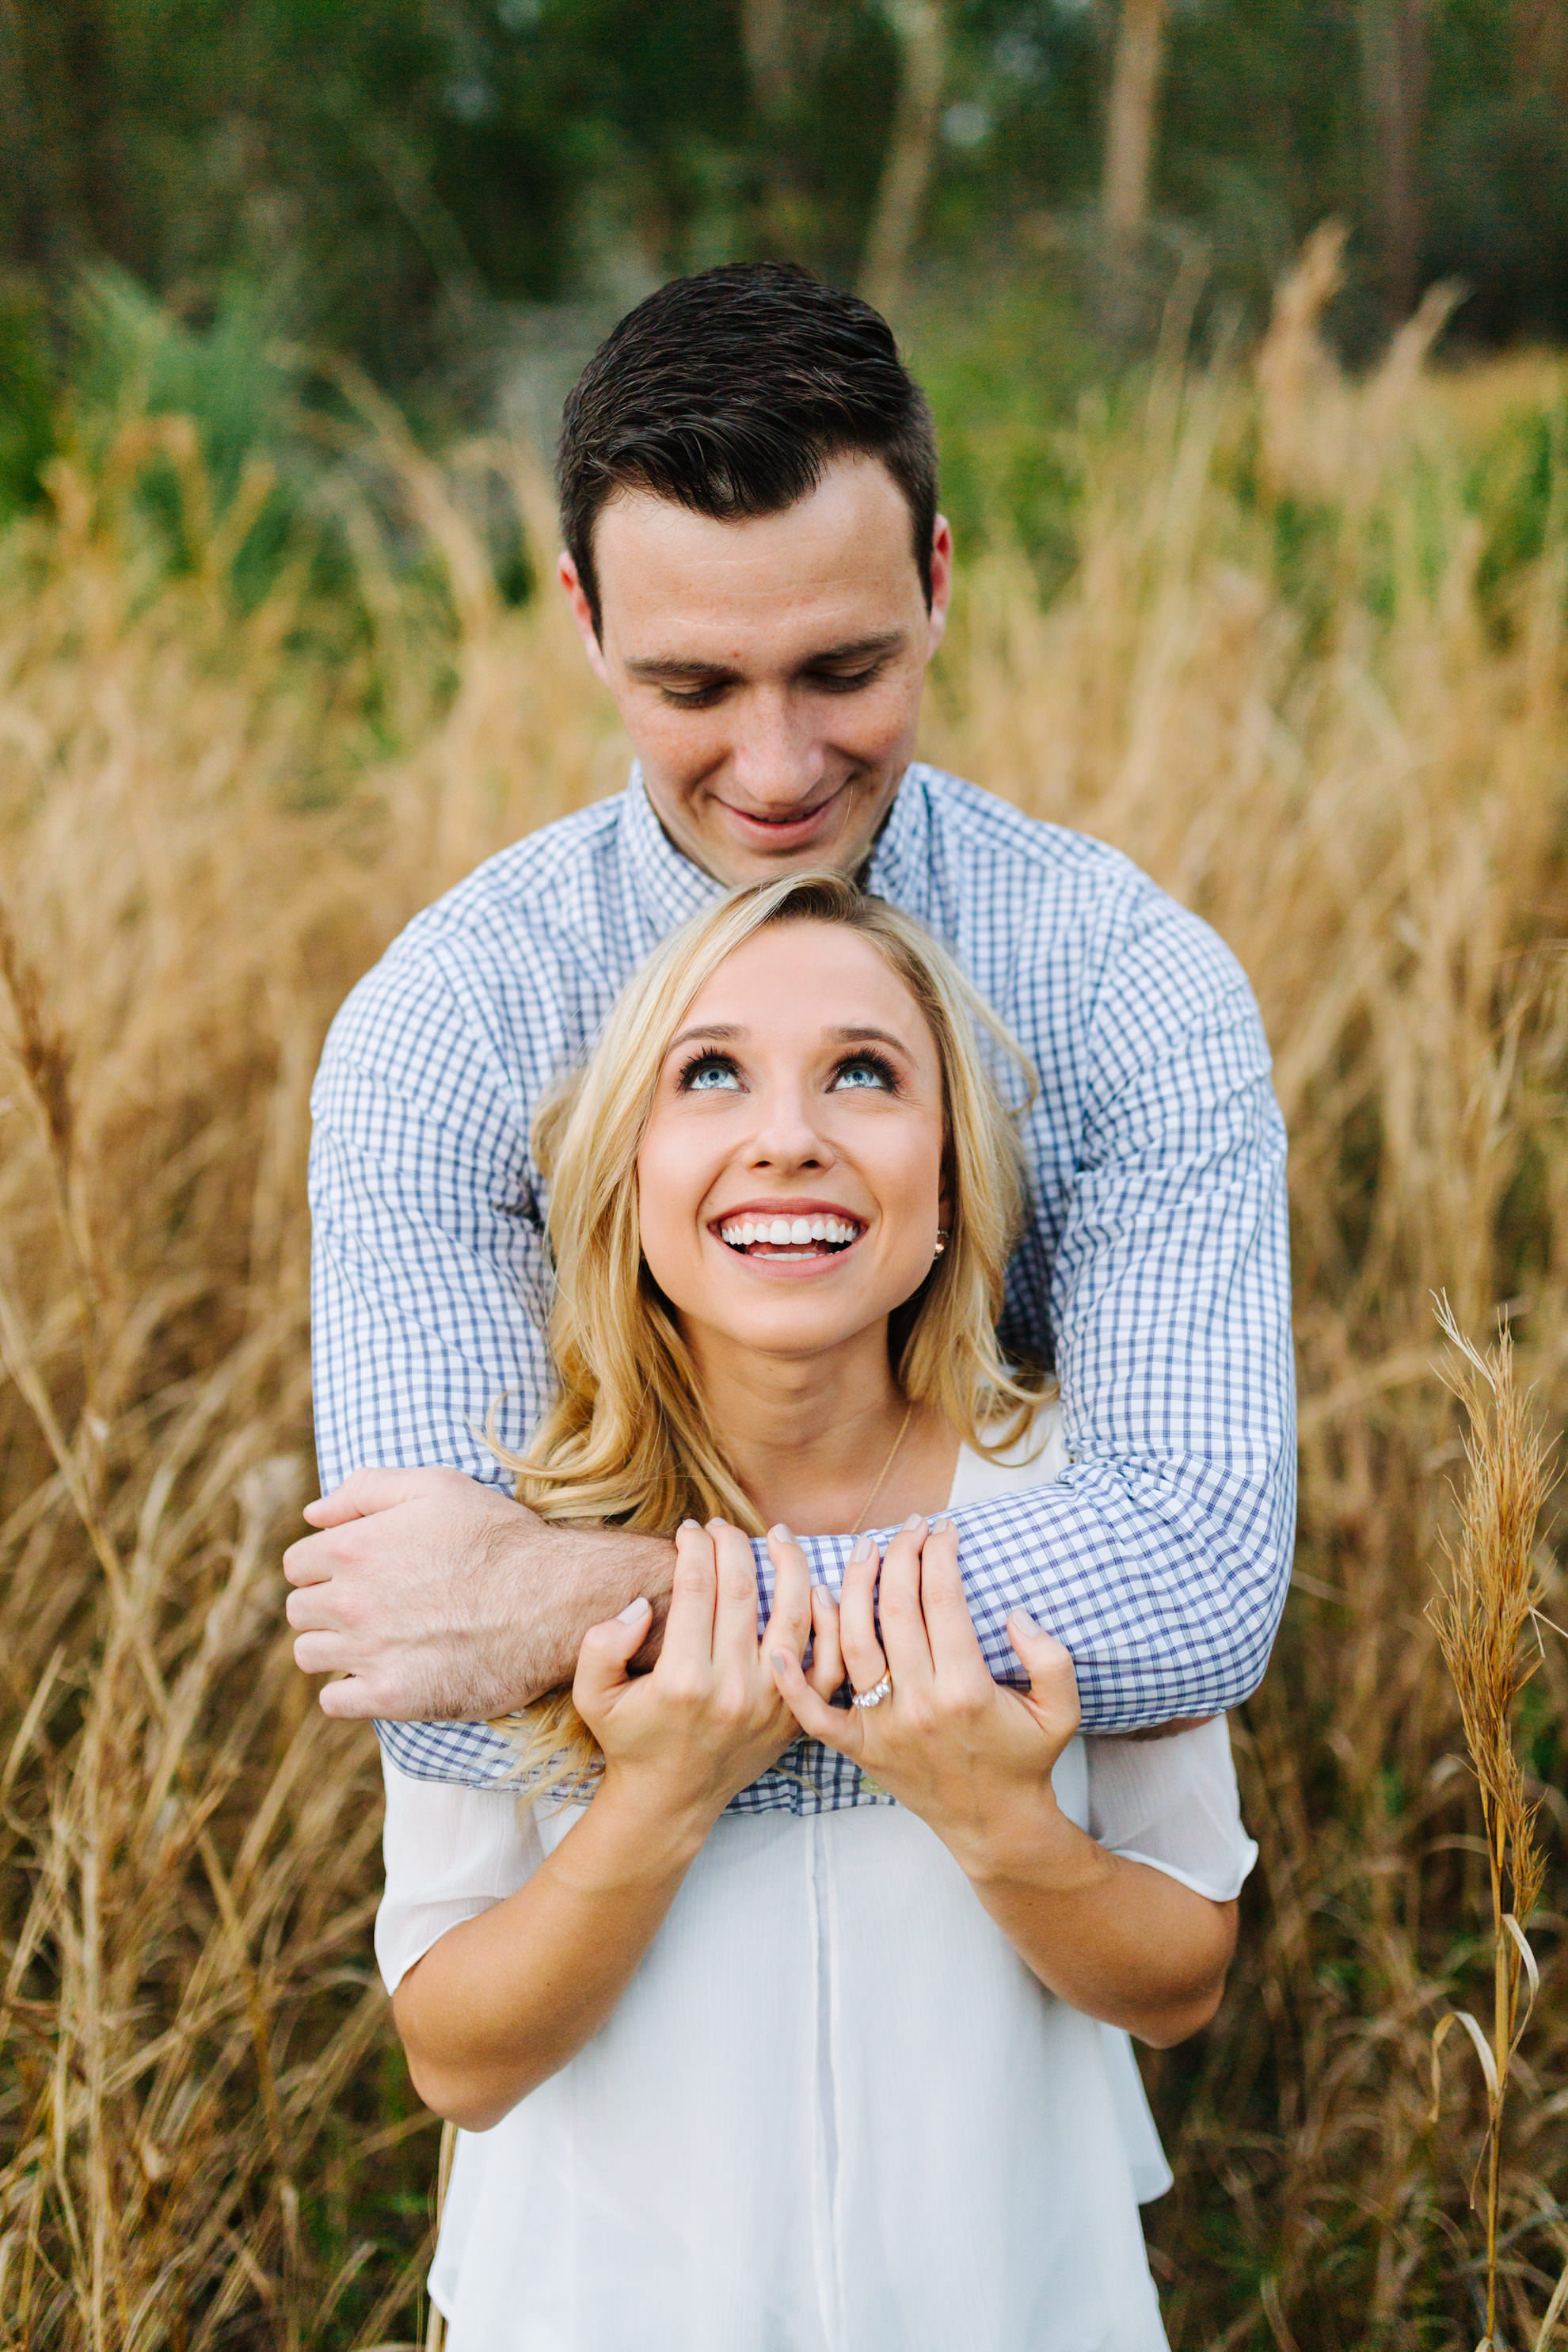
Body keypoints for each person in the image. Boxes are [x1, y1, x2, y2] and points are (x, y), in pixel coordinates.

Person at [285, 261, 1296, 1791]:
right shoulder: (449, 1026)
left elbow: (1200, 1583)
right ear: (582, 616)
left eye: (845, 670)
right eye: (693, 683)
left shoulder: (1125, 983)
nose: (776, 768)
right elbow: (435, 1689)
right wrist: (982, 1664)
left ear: (938, 581)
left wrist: (588, 1599)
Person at [375, 873, 1258, 2350]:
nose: (789, 1134)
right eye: (708, 1072)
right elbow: (457, 2058)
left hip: (1014, 2302)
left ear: (949, 1181)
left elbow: (1182, 1979)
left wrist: (999, 1818)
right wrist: (655, 1797)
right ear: (629, 1173)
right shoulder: (518, 1539)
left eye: (865, 1071)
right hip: (599, 2307)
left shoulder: (1070, 1506)